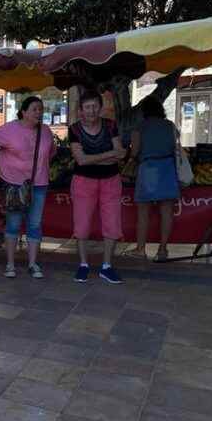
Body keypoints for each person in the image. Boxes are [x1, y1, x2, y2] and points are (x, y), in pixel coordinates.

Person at [0, 96, 56, 280]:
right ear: (23, 112)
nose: (38, 113)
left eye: (41, 109)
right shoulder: (9, 129)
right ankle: (10, 264)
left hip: (38, 184)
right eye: (34, 109)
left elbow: (51, 152)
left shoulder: (46, 131)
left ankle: (33, 264)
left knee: (34, 224)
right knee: (14, 224)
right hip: (14, 185)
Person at [68, 90, 126, 284]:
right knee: (82, 225)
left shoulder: (110, 125)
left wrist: (96, 158)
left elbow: (121, 154)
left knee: (112, 223)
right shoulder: (74, 129)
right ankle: (83, 265)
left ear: (100, 108)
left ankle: (107, 266)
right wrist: (108, 154)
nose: (91, 110)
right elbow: (81, 160)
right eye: (87, 107)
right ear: (81, 110)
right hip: (83, 182)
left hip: (111, 181)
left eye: (94, 106)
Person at [124, 96, 181, 262]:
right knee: (166, 213)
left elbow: (134, 152)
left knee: (143, 214)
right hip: (168, 169)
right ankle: (162, 250)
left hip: (148, 169)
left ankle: (141, 250)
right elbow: (176, 146)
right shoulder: (170, 126)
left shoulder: (140, 127)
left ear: (144, 112)